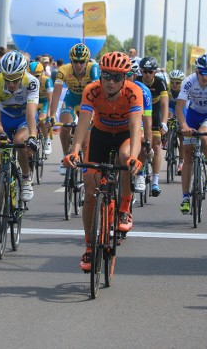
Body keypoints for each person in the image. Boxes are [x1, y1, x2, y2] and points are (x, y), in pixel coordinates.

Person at [62, 51, 143, 271]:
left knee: (125, 158)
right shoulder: (92, 90)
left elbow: (136, 129)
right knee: (90, 194)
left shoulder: (134, 92)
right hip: (101, 134)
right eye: (106, 75)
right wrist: (74, 150)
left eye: (117, 77)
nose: (110, 81)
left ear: (125, 78)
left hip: (126, 135)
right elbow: (83, 124)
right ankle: (89, 247)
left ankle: (124, 206)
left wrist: (135, 156)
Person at [0, 50, 39, 240]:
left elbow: (31, 113)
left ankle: (25, 177)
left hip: (24, 119)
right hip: (4, 121)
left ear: (22, 74)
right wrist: (0, 134)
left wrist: (32, 136)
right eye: (7, 79)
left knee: (19, 141)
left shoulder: (31, 81)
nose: (11, 84)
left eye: (15, 79)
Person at [175, 54, 207, 214]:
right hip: (193, 114)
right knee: (188, 154)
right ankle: (185, 197)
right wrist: (183, 126)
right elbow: (179, 106)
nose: (204, 76)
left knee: (204, 135)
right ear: (196, 71)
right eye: (201, 72)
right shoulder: (189, 81)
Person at [48, 43, 100, 175]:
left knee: (86, 143)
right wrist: (52, 115)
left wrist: (95, 113)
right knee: (65, 127)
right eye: (75, 62)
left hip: (88, 102)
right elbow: (56, 93)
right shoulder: (64, 70)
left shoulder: (93, 68)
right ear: (71, 61)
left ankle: (84, 166)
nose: (78, 65)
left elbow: (96, 92)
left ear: (87, 61)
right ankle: (66, 157)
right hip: (71, 100)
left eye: (82, 62)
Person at [136, 56, 168, 196]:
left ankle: (155, 180)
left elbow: (164, 105)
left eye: (150, 72)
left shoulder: (160, 83)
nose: (147, 74)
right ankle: (141, 172)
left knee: (155, 145)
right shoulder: (136, 81)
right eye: (144, 71)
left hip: (154, 115)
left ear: (155, 72)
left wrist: (164, 123)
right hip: (139, 115)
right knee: (142, 144)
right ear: (141, 71)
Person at [126, 59, 153, 194]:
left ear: (135, 75)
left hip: (138, 121)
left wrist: (149, 143)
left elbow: (147, 121)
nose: (126, 77)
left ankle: (140, 172)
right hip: (119, 123)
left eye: (130, 74)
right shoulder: (113, 88)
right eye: (124, 74)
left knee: (143, 140)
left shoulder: (143, 91)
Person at [27, 61, 54, 155]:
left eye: (37, 76)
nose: (34, 79)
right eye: (31, 76)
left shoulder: (47, 81)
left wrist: (49, 116)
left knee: (41, 120)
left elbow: (50, 100)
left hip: (44, 102)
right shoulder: (26, 81)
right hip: (33, 102)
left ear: (42, 73)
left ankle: (47, 141)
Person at [167, 69, 186, 174]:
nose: (174, 85)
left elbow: (185, 109)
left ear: (181, 83)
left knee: (182, 136)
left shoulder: (185, 91)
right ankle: (166, 138)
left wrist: (182, 123)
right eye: (172, 82)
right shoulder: (167, 89)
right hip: (171, 107)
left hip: (182, 108)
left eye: (177, 83)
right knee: (167, 118)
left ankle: (181, 162)